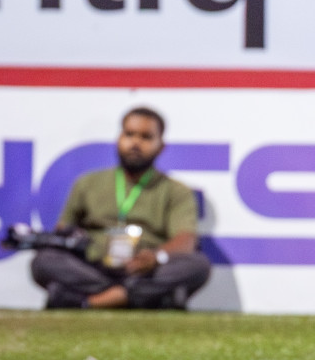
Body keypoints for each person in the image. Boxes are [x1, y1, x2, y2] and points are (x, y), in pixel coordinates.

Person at [31, 107, 212, 310]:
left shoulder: (176, 191)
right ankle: (147, 299)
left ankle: (88, 302)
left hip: (145, 270)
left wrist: (155, 257)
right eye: (129, 134)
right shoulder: (88, 183)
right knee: (44, 261)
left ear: (161, 146)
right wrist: (63, 237)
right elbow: (63, 229)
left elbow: (185, 240)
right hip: (94, 267)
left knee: (197, 266)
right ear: (119, 138)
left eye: (146, 137)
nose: (135, 143)